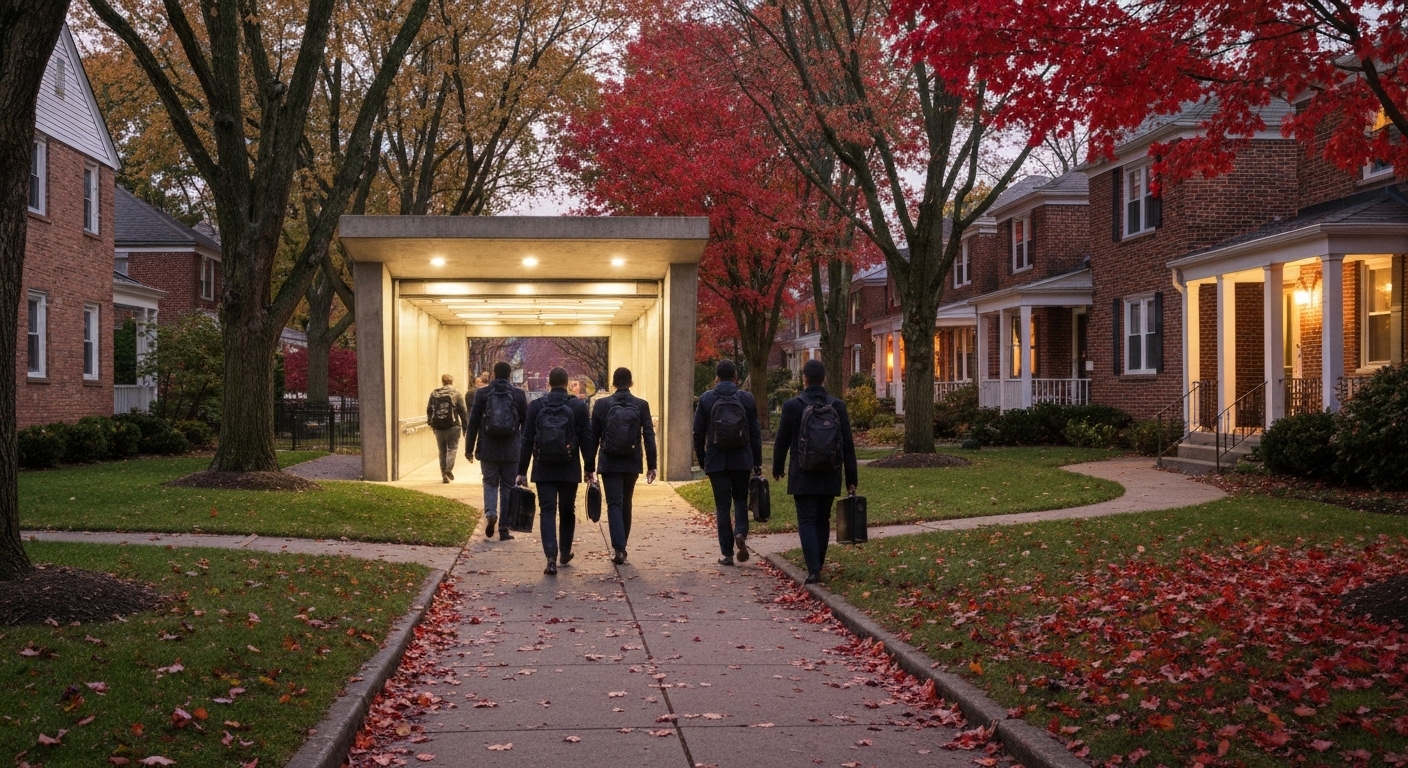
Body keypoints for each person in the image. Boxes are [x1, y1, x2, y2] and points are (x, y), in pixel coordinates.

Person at [772, 359, 857, 584]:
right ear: (824, 379)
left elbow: (781, 441)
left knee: (807, 519)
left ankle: (813, 570)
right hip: (830, 472)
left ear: (805, 379)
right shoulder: (837, 406)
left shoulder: (793, 406)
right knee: (823, 518)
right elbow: (848, 445)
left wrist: (778, 466)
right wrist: (851, 478)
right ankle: (818, 563)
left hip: (803, 472)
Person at [518, 367, 595, 575]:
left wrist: (521, 470)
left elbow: (526, 440)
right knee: (567, 510)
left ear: (548, 383)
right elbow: (586, 437)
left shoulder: (536, 406)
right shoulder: (577, 406)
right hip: (569, 468)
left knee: (547, 510)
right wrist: (590, 468)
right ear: (567, 383)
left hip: (543, 468)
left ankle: (550, 558)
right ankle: (565, 552)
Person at [693, 359, 762, 567]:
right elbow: (755, 433)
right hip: (741, 459)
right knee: (740, 499)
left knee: (722, 507)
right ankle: (740, 531)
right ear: (735, 377)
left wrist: (703, 459)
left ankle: (727, 553)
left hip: (716, 460)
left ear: (716, 377)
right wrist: (757, 461)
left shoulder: (706, 399)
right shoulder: (747, 399)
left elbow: (698, 433)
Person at [591, 367, 658, 565]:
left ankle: (619, 548)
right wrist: (652, 465)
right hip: (631, 460)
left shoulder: (602, 405)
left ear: (613, 383)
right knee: (626, 502)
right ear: (630, 383)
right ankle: (622, 546)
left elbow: (593, 437)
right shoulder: (641, 405)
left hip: (609, 460)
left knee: (614, 503)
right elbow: (648, 436)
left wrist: (589, 465)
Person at [465, 361, 528, 541]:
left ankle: (491, 513)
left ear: (494, 373)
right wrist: (523, 448)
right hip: (511, 449)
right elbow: (526, 423)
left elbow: (474, 422)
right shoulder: (518, 395)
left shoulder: (483, 394)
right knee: (508, 487)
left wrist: (469, 448)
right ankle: (504, 529)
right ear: (509, 375)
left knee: (490, 482)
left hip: (488, 447)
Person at [426, 373, 469, 484]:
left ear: (442, 381)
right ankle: (448, 469)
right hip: (453, 426)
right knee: (452, 448)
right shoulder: (456, 393)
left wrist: (431, 423)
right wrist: (465, 427)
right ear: (452, 381)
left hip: (438, 427)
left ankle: (444, 476)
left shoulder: (434, 393)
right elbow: (463, 411)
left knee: (442, 451)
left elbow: (429, 409)